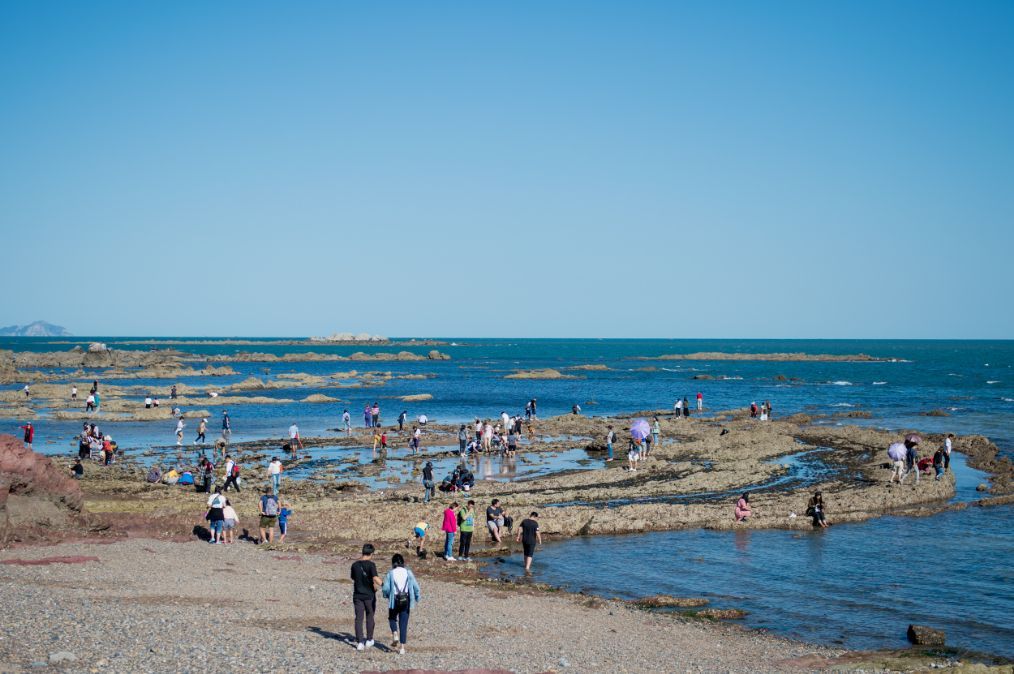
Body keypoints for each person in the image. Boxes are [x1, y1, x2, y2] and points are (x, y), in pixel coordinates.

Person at [382, 553, 421, 656]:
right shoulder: (408, 572)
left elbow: (385, 588)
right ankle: (402, 648)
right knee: (403, 623)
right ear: (402, 562)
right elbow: (416, 587)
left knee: (392, 618)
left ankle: (395, 633)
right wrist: (417, 597)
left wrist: (386, 595)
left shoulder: (390, 573)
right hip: (406, 600)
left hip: (394, 599)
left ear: (393, 563)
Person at [351, 544, 381, 651]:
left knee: (358, 618)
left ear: (362, 552)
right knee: (370, 616)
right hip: (369, 595)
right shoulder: (371, 565)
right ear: (371, 553)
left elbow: (354, 578)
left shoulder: (354, 565)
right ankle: (369, 639)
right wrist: (384, 585)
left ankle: (360, 642)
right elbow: (375, 578)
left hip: (358, 595)